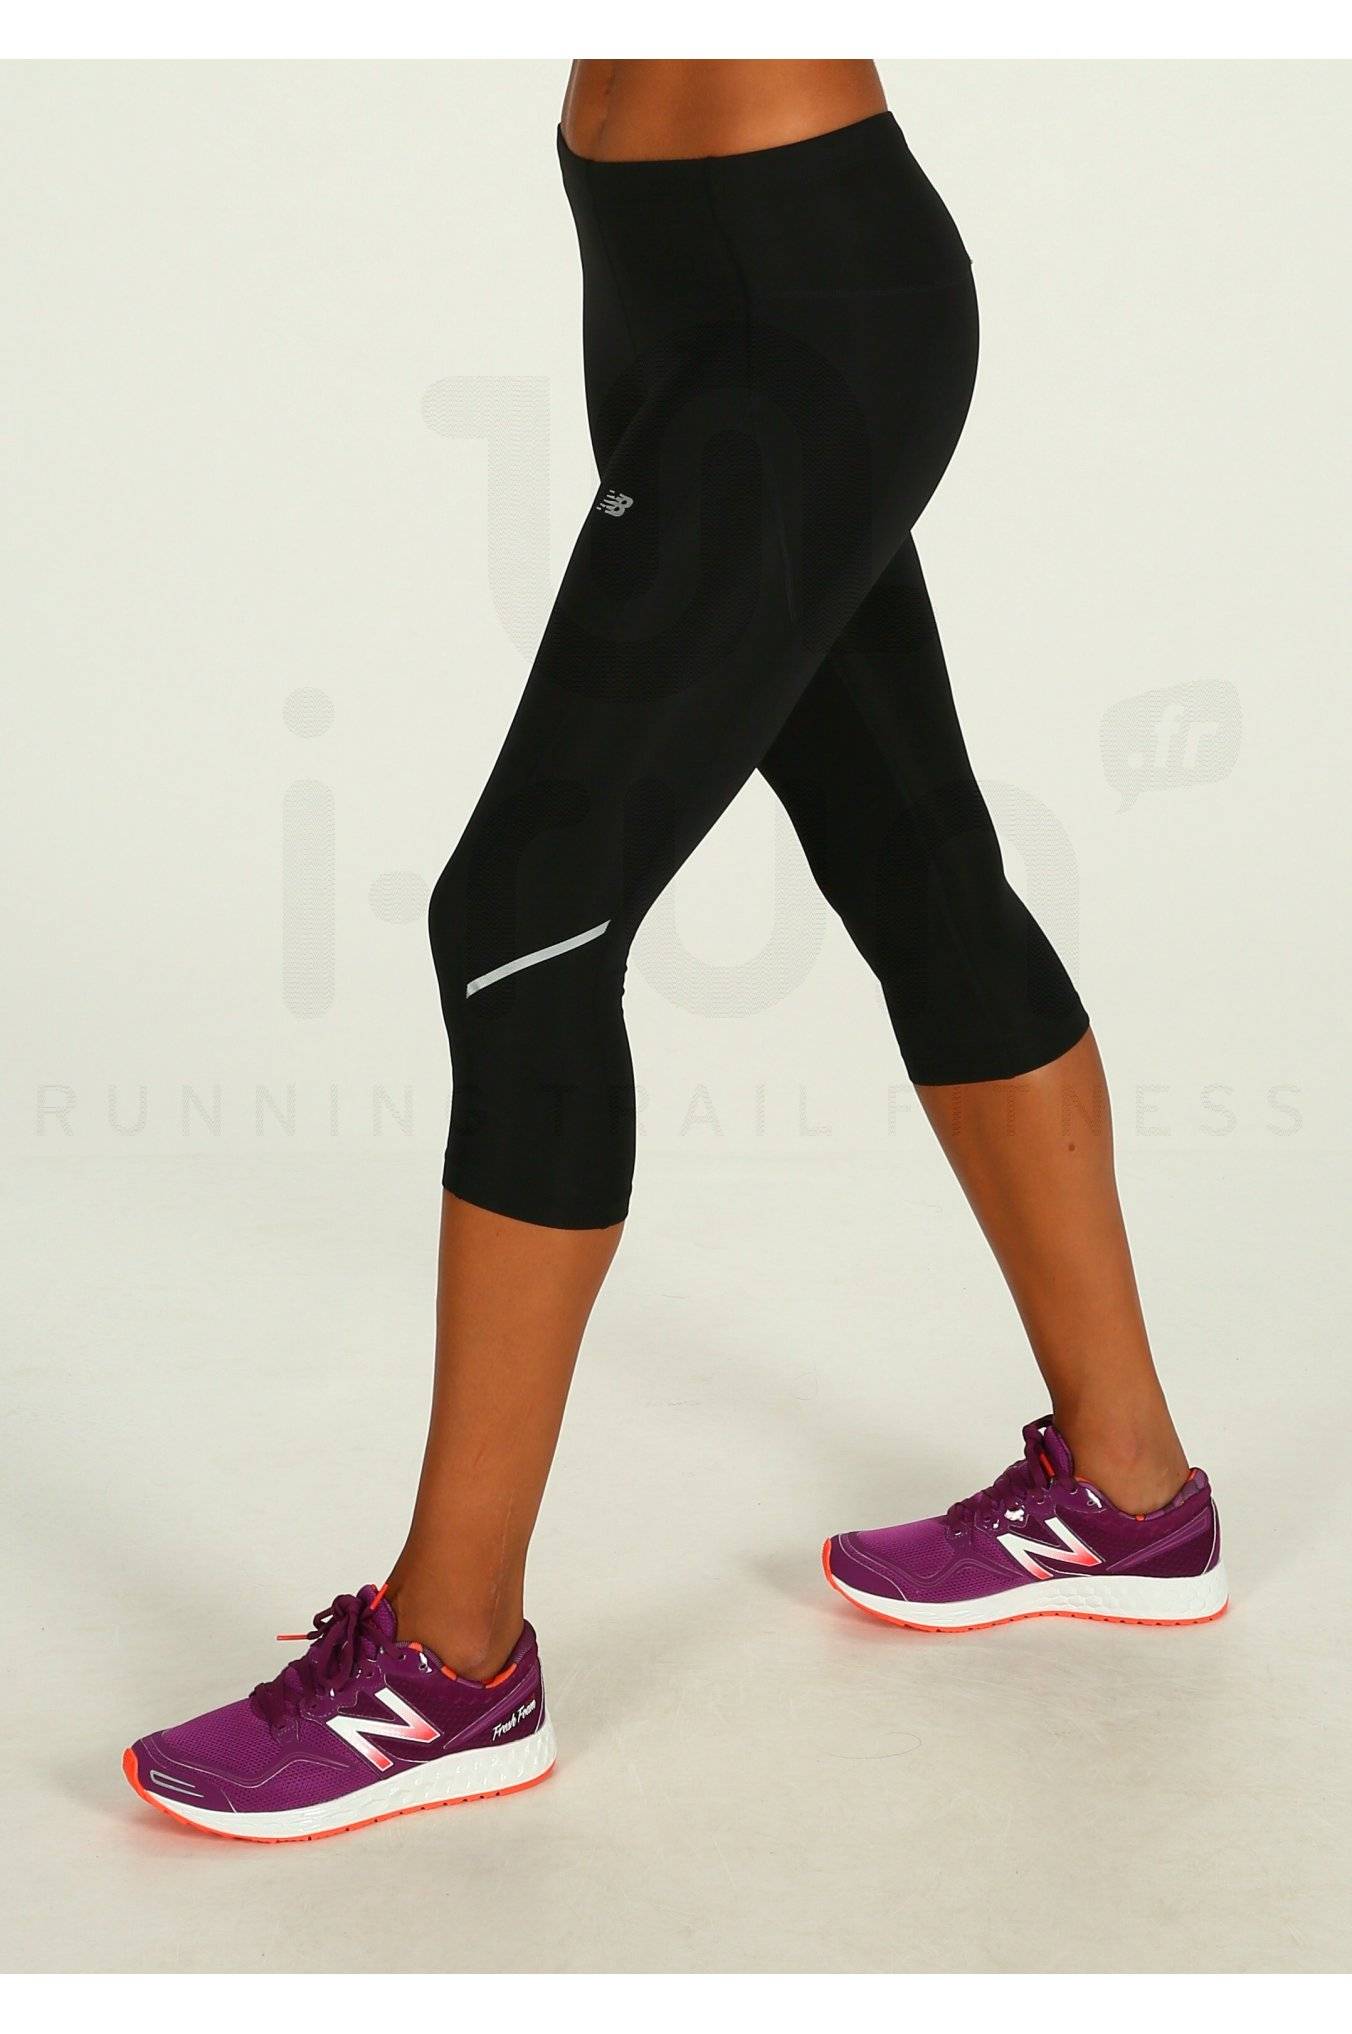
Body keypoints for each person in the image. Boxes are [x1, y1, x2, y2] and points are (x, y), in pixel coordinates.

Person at [123, 60, 1225, 1845]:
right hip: (663, 283)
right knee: (919, 866)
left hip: (805, 293)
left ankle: (451, 1658)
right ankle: (1131, 1490)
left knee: (520, 920)